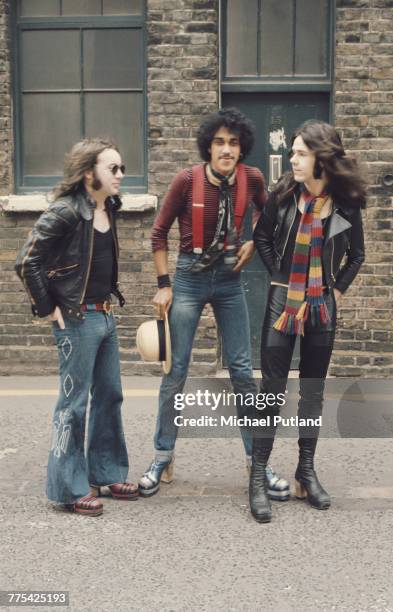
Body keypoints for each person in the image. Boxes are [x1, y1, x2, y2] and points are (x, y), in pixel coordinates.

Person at [138, 108, 289, 500]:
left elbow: (268, 214)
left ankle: (259, 461)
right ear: (208, 145)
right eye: (219, 142)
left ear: (242, 148)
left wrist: (254, 240)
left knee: (242, 370)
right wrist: (164, 284)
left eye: (233, 143)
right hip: (188, 278)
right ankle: (161, 456)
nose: (226, 149)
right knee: (177, 371)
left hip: (228, 280)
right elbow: (158, 233)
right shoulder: (186, 180)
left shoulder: (251, 178)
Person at [15, 138, 139, 516]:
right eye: (112, 169)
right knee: (72, 407)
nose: (120, 175)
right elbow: (26, 262)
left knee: (110, 397)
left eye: (121, 168)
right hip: (76, 318)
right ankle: (68, 488)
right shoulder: (66, 211)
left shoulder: (108, 207)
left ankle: (106, 471)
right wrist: (48, 306)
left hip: (103, 315)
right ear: (89, 174)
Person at [250, 119, 366, 522]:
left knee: (313, 394)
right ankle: (256, 479)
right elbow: (263, 237)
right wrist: (279, 276)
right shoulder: (282, 196)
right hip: (282, 304)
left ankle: (306, 471)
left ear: (321, 158)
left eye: (300, 153)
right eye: (293, 152)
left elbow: (357, 255)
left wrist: (335, 291)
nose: (293, 159)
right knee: (272, 392)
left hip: (322, 308)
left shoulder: (345, 204)